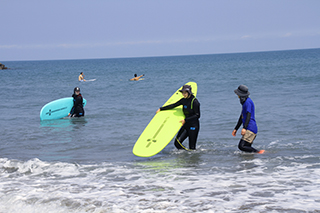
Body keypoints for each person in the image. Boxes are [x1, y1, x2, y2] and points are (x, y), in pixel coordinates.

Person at [156, 85, 200, 150]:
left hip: (193, 126)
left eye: (185, 93)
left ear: (189, 92)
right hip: (186, 125)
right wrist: (161, 108)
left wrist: (186, 119)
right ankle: (185, 154)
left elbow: (197, 115)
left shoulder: (195, 102)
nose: (183, 94)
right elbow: (174, 105)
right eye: (182, 93)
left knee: (192, 147)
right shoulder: (183, 100)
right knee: (177, 143)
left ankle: (191, 159)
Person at [232, 85, 264, 154]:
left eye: (238, 94)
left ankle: (259, 152)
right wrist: (236, 129)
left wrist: (244, 128)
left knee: (241, 146)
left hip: (250, 128)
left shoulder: (248, 102)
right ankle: (250, 161)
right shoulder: (245, 103)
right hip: (250, 128)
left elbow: (248, 115)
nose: (237, 95)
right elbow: (242, 117)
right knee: (247, 149)